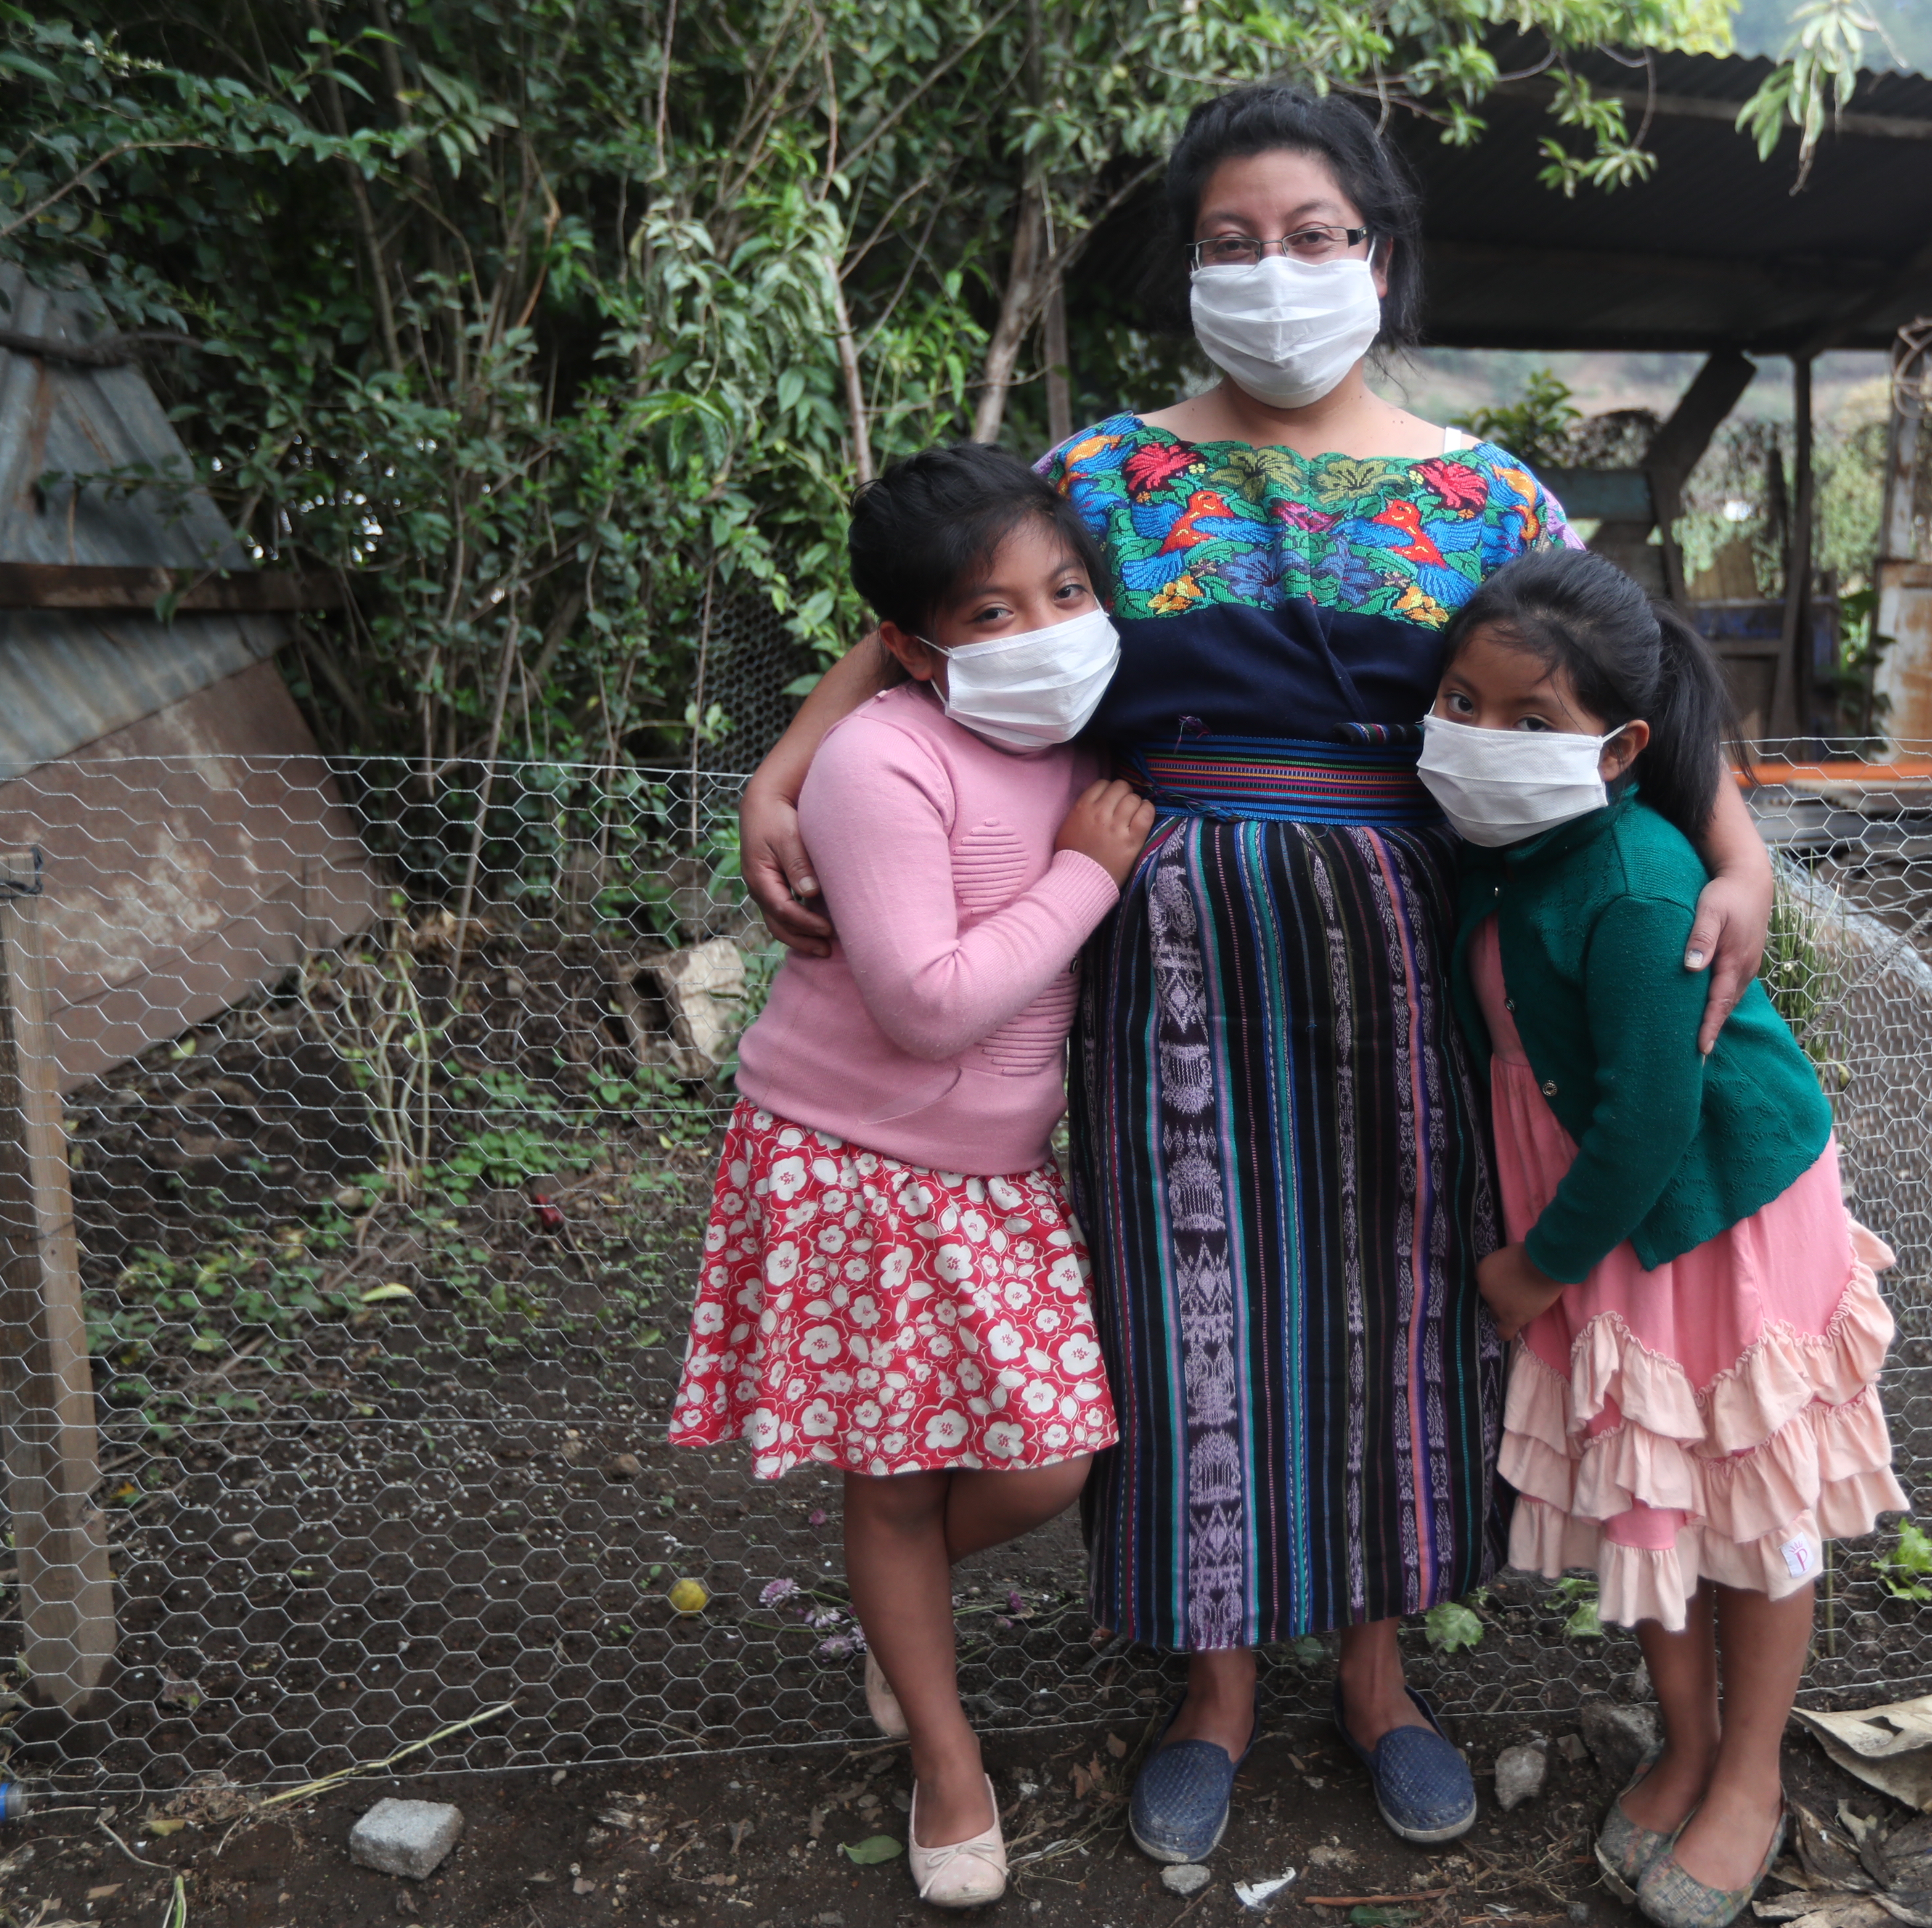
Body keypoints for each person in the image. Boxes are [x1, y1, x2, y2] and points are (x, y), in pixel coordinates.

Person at [734, 85, 1780, 1862]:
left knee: (1395, 1296)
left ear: (1375, 253)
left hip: (1405, 941)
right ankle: (1211, 1682)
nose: (1273, 271)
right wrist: (786, 759)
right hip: (1163, 942)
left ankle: (1376, 1677)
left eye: (1312, 237)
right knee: (1183, 1301)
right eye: (1232, 242)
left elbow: (1635, 678)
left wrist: (1739, 847)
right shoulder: (1101, 476)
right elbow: (913, 612)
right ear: (1188, 265)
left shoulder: (1489, 490)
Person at [668, 444, 1157, 1908]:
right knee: (894, 1485)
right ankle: (948, 1759)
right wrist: (1088, 875)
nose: (1046, 628)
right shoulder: (883, 758)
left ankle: (902, 1625)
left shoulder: (1082, 742)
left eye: (1065, 590)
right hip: (853, 1168)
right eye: (990, 612)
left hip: (995, 1176)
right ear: (908, 643)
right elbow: (929, 1003)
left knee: (1049, 1457)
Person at [1421, 548, 1908, 1928]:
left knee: (1753, 1499)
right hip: (1607, 1217)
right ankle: (1683, 1739)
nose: (1481, 739)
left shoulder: (1634, 884)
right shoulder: (1504, 854)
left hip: (1713, 1216)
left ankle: (1749, 1769)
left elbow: (1643, 1125)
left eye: (1531, 722)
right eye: (1461, 700)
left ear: (1623, 746)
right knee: (1650, 1481)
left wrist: (1533, 1266)